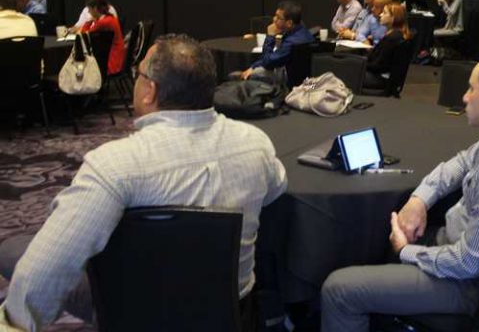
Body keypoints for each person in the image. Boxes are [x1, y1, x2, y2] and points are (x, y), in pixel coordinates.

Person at [0, 34, 288, 331]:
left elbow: (45, 272)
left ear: (150, 90)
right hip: (233, 314)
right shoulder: (256, 144)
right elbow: (276, 190)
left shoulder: (114, 165)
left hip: (136, 316)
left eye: (138, 74)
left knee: (13, 250)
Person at [321, 52, 479, 331]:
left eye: (471, 88)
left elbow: (468, 264)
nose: (464, 97)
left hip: (469, 284)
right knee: (391, 234)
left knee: (338, 290)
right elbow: (462, 162)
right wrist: (419, 200)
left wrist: (406, 251)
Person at [234, 0, 314, 85]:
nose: (274, 19)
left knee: (248, 75)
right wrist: (253, 66)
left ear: (289, 23)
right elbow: (275, 57)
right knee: (253, 70)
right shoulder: (301, 30)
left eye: (278, 17)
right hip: (295, 74)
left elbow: (268, 63)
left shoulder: (292, 42)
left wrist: (270, 36)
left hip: (290, 79)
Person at [363, 2, 410, 90]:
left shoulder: (392, 38)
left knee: (346, 74)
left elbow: (379, 66)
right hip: (384, 77)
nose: (381, 15)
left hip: (381, 79)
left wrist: (360, 64)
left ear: (394, 18)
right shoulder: (395, 35)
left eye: (384, 13)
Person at [80, 0, 126, 75]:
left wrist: (89, 21)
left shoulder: (103, 22)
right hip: (118, 57)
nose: (88, 12)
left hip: (112, 62)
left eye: (89, 9)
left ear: (95, 8)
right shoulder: (110, 18)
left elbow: (84, 35)